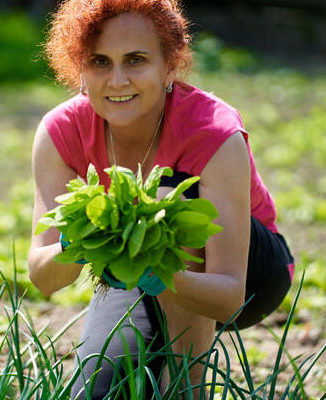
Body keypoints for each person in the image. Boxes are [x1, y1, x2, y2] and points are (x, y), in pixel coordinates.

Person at [27, 0, 295, 398]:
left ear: (169, 67)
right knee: (99, 393)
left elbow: (228, 297)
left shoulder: (213, 129)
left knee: (170, 200)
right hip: (139, 277)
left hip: (249, 274)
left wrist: (164, 277)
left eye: (135, 60)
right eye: (100, 62)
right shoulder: (60, 131)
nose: (117, 80)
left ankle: (188, 390)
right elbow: (42, 275)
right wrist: (75, 241)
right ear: (80, 70)